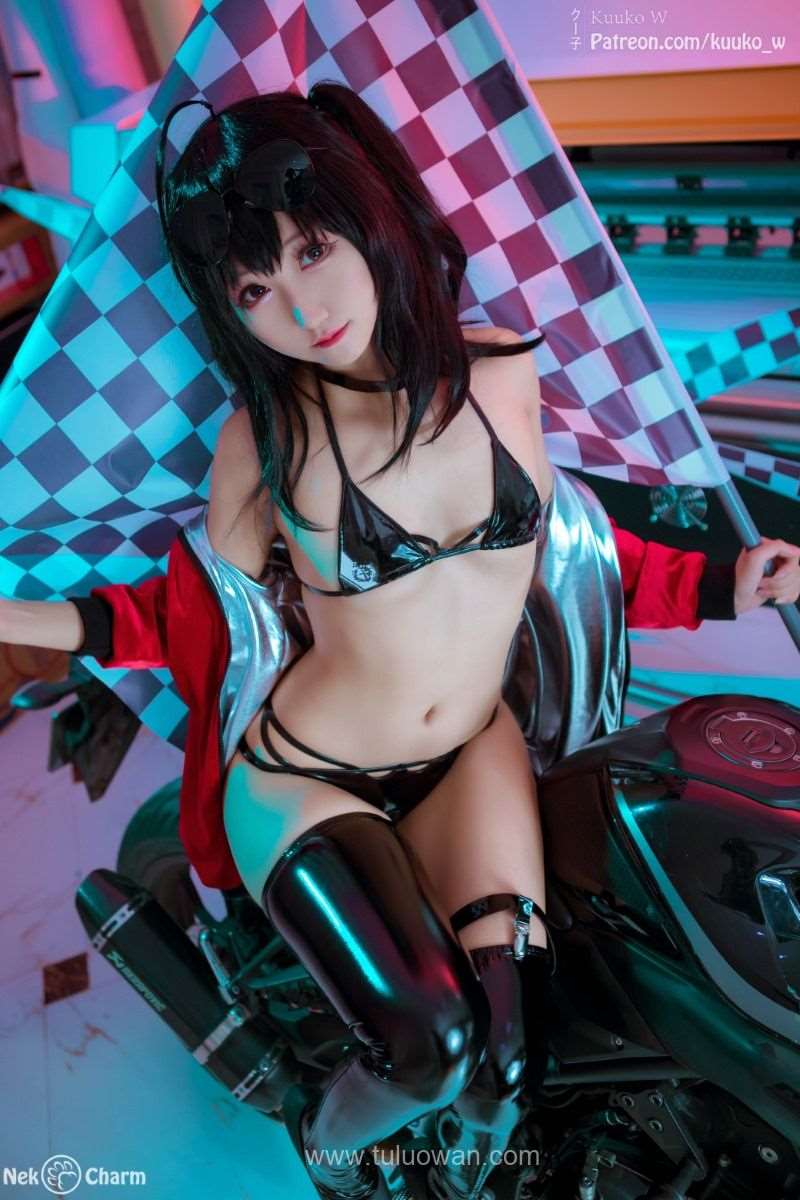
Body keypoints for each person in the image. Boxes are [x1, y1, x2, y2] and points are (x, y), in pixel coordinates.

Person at [2, 83, 799, 1200]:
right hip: (309, 776)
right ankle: (329, 1150)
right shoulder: (265, 445)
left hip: (471, 752)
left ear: (370, 220)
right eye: (254, 287)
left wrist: (722, 584)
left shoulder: (504, 371)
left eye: (312, 249)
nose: (300, 306)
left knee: (508, 1068)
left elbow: (568, 552)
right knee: (429, 1048)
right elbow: (164, 618)